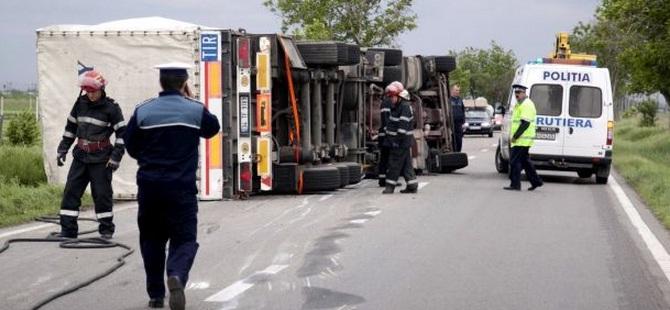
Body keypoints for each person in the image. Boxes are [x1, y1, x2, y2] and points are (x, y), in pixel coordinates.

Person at [124, 62, 220, 309]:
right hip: (181, 189)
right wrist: (189, 101)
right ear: (184, 82)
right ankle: (176, 274)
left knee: (152, 240)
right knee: (185, 239)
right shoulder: (195, 110)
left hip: (150, 187)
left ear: (160, 82)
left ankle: (156, 295)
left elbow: (131, 145)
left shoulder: (143, 110)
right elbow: (213, 129)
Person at [56, 69, 126, 239]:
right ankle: (68, 231)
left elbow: (123, 135)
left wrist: (116, 157)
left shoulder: (112, 108)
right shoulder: (79, 103)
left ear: (101, 89)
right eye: (88, 91)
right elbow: (70, 129)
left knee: (102, 195)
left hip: (102, 159)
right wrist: (62, 149)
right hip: (80, 156)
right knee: (71, 192)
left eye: (93, 91)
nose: (91, 95)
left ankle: (106, 231)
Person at [504, 84, 543, 191]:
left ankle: (515, 184)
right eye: (516, 93)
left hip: (522, 139)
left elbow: (525, 123)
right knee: (525, 162)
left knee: (514, 161)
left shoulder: (527, 104)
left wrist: (516, 136)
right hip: (521, 139)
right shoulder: (520, 104)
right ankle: (536, 181)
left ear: (524, 93)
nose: (517, 95)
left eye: (519, 93)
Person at [382, 82, 418, 194]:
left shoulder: (404, 107)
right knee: (406, 164)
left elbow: (402, 128)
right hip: (400, 142)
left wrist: (396, 141)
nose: (391, 99)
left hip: (400, 142)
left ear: (398, 96)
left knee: (394, 164)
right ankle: (412, 185)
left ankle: (390, 186)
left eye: (392, 97)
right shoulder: (398, 106)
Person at [377, 81, 403, 187]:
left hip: (385, 134)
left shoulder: (385, 101)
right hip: (387, 135)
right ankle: (388, 180)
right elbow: (387, 120)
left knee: (384, 158)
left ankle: (383, 179)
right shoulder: (389, 102)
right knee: (390, 158)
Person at [450, 84, 466, 152]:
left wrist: (463, 121)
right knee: (453, 139)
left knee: (459, 139)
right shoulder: (449, 100)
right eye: (456, 90)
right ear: (452, 90)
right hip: (451, 123)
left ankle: (458, 152)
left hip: (459, 124)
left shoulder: (460, 100)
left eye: (458, 90)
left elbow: (463, 110)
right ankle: (453, 152)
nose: (457, 92)